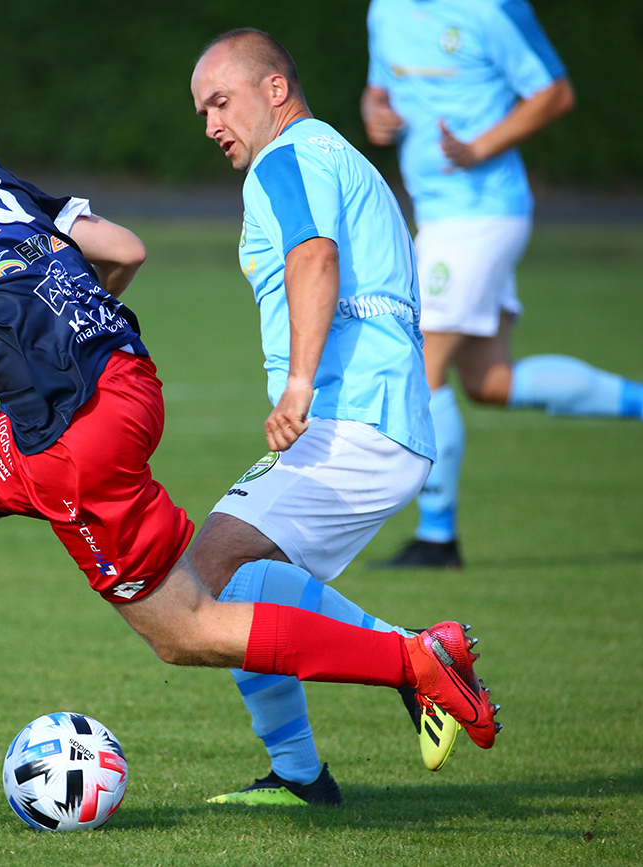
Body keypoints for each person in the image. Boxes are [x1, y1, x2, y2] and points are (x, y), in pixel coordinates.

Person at [0, 101, 497, 781]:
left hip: (71, 433)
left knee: (185, 627)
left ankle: (413, 662)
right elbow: (121, 248)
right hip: (123, 379)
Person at [186, 30, 469, 807]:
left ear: (275, 89)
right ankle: (302, 775)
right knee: (236, 583)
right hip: (372, 416)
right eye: (203, 110)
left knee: (209, 575)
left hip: (354, 415)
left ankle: (415, 659)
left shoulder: (285, 159)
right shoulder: (336, 156)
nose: (211, 124)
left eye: (221, 102)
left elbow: (314, 256)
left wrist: (300, 384)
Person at [363, 0, 643, 568]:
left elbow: (555, 93)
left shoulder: (491, 9)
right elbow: (379, 90)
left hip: (480, 213)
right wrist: (376, 111)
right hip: (438, 214)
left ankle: (437, 539)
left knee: (419, 364)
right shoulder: (386, 9)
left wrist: (479, 148)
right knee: (488, 381)